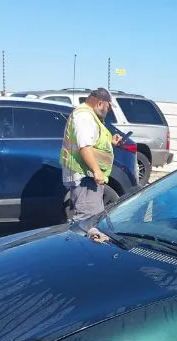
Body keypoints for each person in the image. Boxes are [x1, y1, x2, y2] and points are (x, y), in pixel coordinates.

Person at [60, 87, 123, 242]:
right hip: (86, 177)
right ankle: (80, 255)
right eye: (108, 106)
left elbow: (94, 141)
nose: (108, 110)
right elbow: (85, 146)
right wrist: (97, 171)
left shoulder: (91, 117)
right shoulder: (84, 117)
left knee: (94, 219)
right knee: (86, 222)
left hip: (89, 176)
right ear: (100, 103)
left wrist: (111, 142)